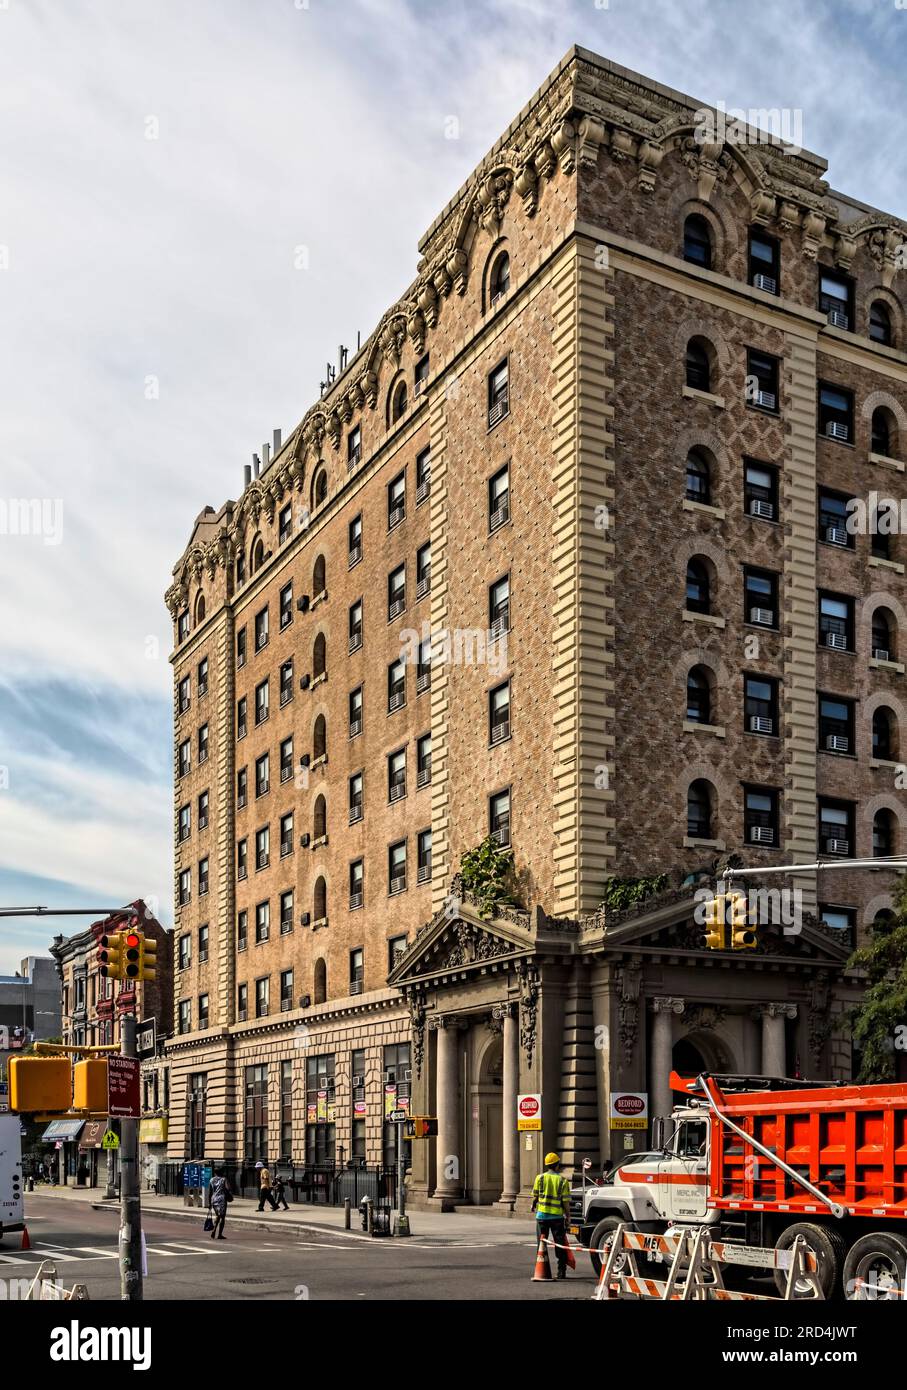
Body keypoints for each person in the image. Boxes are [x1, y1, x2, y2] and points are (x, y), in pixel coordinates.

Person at [531, 1151, 572, 1279]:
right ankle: (561, 1271)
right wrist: (568, 1217)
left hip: (542, 1217)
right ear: (557, 1165)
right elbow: (565, 1202)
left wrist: (533, 1205)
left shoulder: (540, 1178)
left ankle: (543, 1270)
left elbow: (535, 1196)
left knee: (541, 1244)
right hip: (557, 1218)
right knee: (560, 1244)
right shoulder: (562, 1181)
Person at [208, 1167, 232, 1240]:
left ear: (215, 1173)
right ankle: (219, 1234)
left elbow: (210, 1192)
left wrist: (209, 1203)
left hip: (214, 1199)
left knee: (217, 1215)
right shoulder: (224, 1179)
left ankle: (214, 1230)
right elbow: (228, 1188)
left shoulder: (211, 1180)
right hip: (221, 1199)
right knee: (222, 1217)